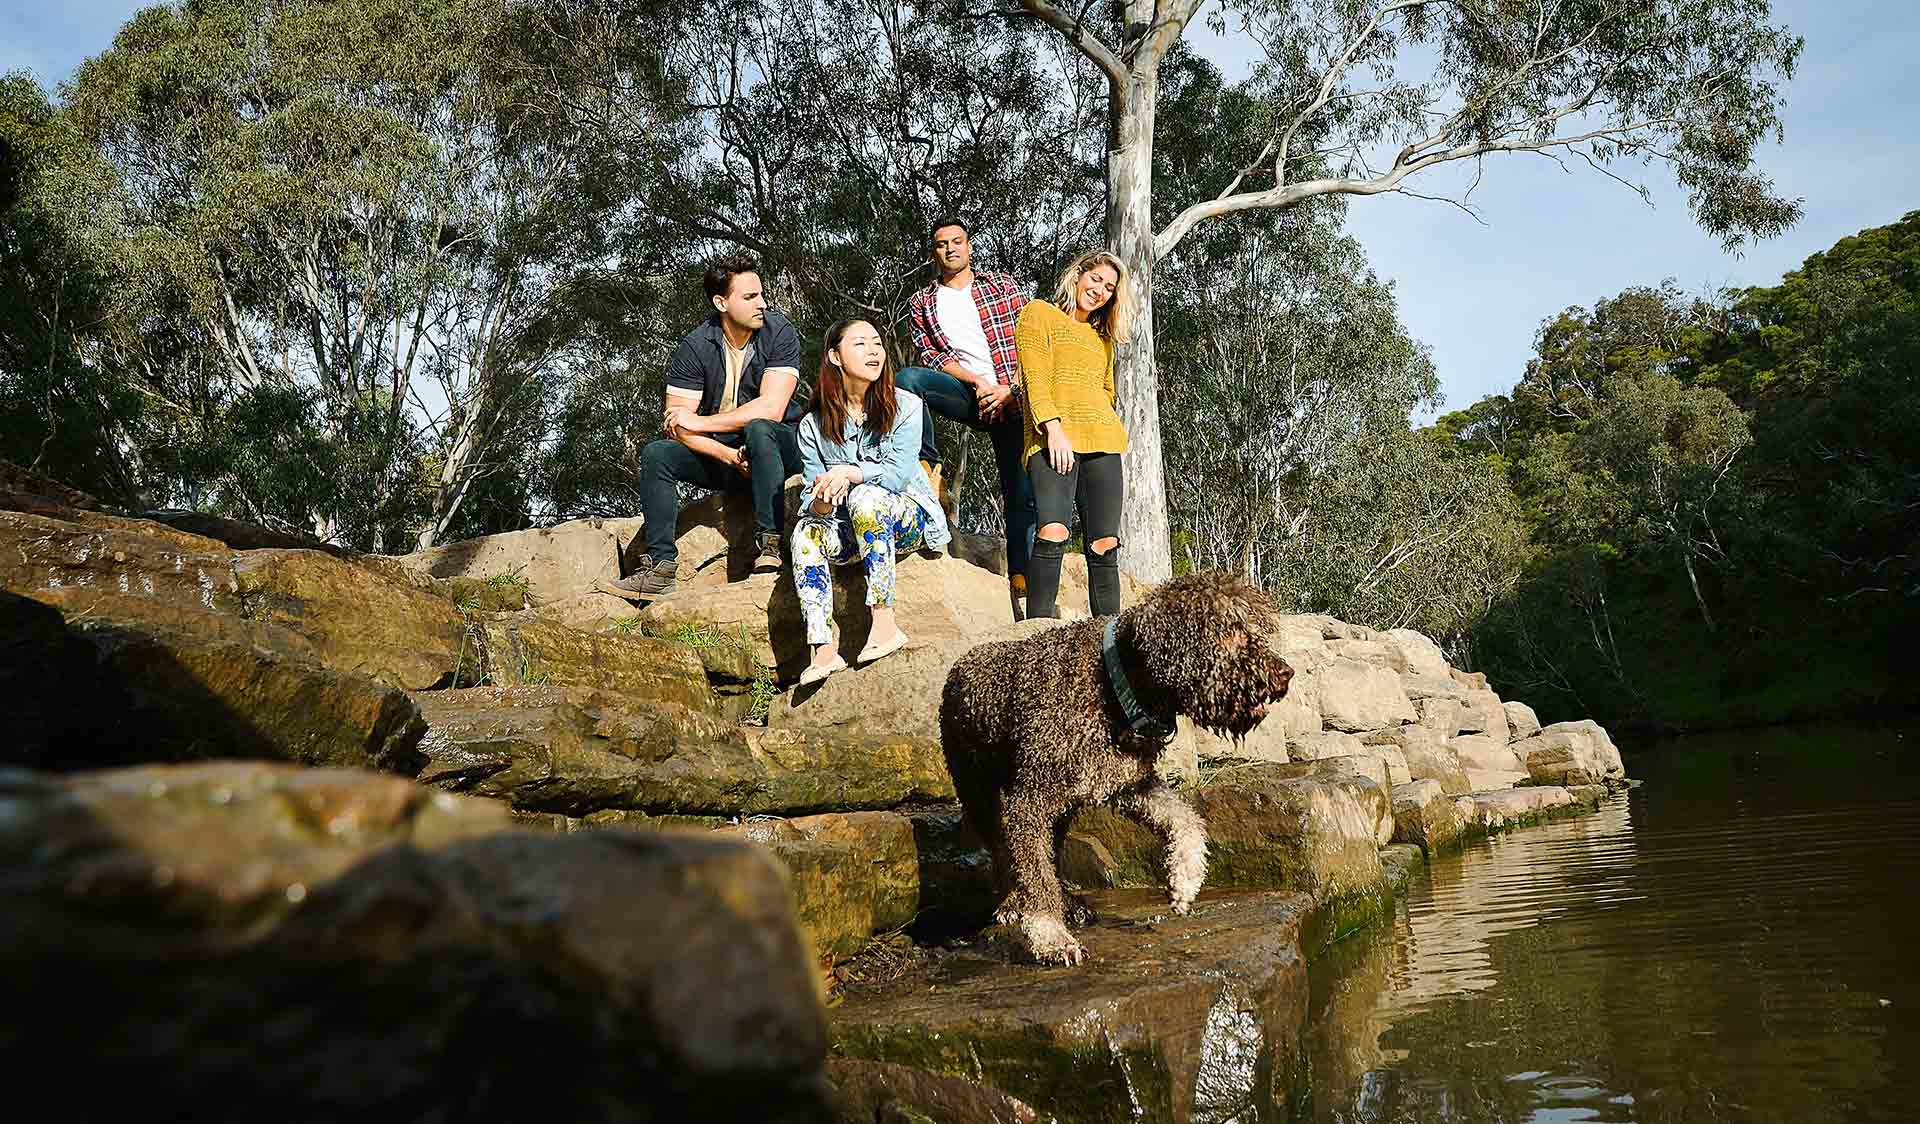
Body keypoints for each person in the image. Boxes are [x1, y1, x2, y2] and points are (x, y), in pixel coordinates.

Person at [608, 257, 808, 600]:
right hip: (728, 454)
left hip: (778, 445)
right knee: (657, 454)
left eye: (761, 295)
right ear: (721, 303)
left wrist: (701, 423)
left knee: (760, 428)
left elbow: (772, 409)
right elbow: (676, 424)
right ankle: (661, 567)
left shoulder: (779, 331)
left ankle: (771, 544)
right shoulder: (696, 346)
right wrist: (728, 455)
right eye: (750, 297)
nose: (762, 304)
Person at [792, 319, 951, 686]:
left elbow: (896, 476)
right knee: (805, 533)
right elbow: (809, 501)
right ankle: (822, 649)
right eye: (860, 344)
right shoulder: (812, 426)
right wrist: (822, 501)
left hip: (905, 520)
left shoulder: (907, 406)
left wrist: (849, 473)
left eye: (877, 343)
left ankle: (884, 623)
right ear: (834, 356)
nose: (874, 351)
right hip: (850, 527)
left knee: (865, 494)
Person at [897, 218, 1036, 606]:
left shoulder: (1001, 287)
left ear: (969, 246)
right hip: (969, 393)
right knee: (909, 380)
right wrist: (977, 382)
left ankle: (1021, 576)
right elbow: (933, 355)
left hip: (1014, 398)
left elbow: (1031, 340)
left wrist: (1009, 391)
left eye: (957, 242)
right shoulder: (923, 302)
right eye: (941, 244)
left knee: (1020, 492)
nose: (950, 249)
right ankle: (928, 467)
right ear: (934, 253)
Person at [1013, 248, 1136, 619]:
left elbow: (1106, 392)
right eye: (1095, 279)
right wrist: (1053, 428)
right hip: (1053, 439)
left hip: (1103, 442)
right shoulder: (1038, 314)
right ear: (1078, 275)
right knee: (1053, 530)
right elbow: (1034, 377)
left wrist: (1104, 425)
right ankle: (1035, 633)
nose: (1099, 290)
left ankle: (1107, 636)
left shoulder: (1103, 339)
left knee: (1104, 542)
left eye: (1109, 287)